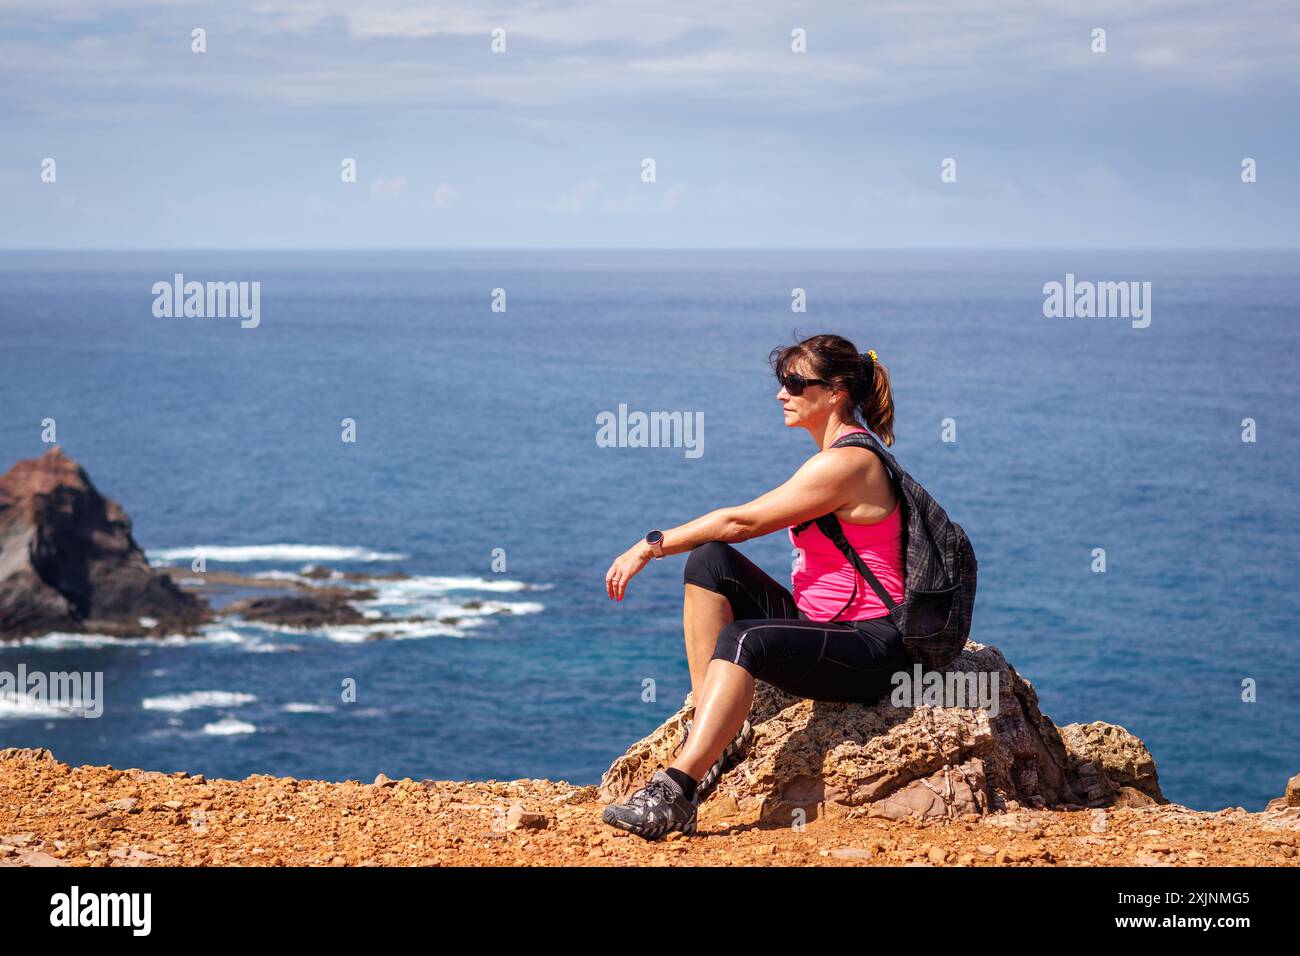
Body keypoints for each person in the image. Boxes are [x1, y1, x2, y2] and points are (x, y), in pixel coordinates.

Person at [601, 333, 909, 840]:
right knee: (709, 562)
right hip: (822, 626)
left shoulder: (849, 463)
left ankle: (678, 791)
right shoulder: (833, 456)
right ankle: (715, 729)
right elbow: (725, 540)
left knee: (743, 637)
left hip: (872, 646)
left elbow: (740, 523)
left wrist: (650, 544)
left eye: (793, 383)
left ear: (834, 392)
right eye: (780, 382)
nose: (780, 394)